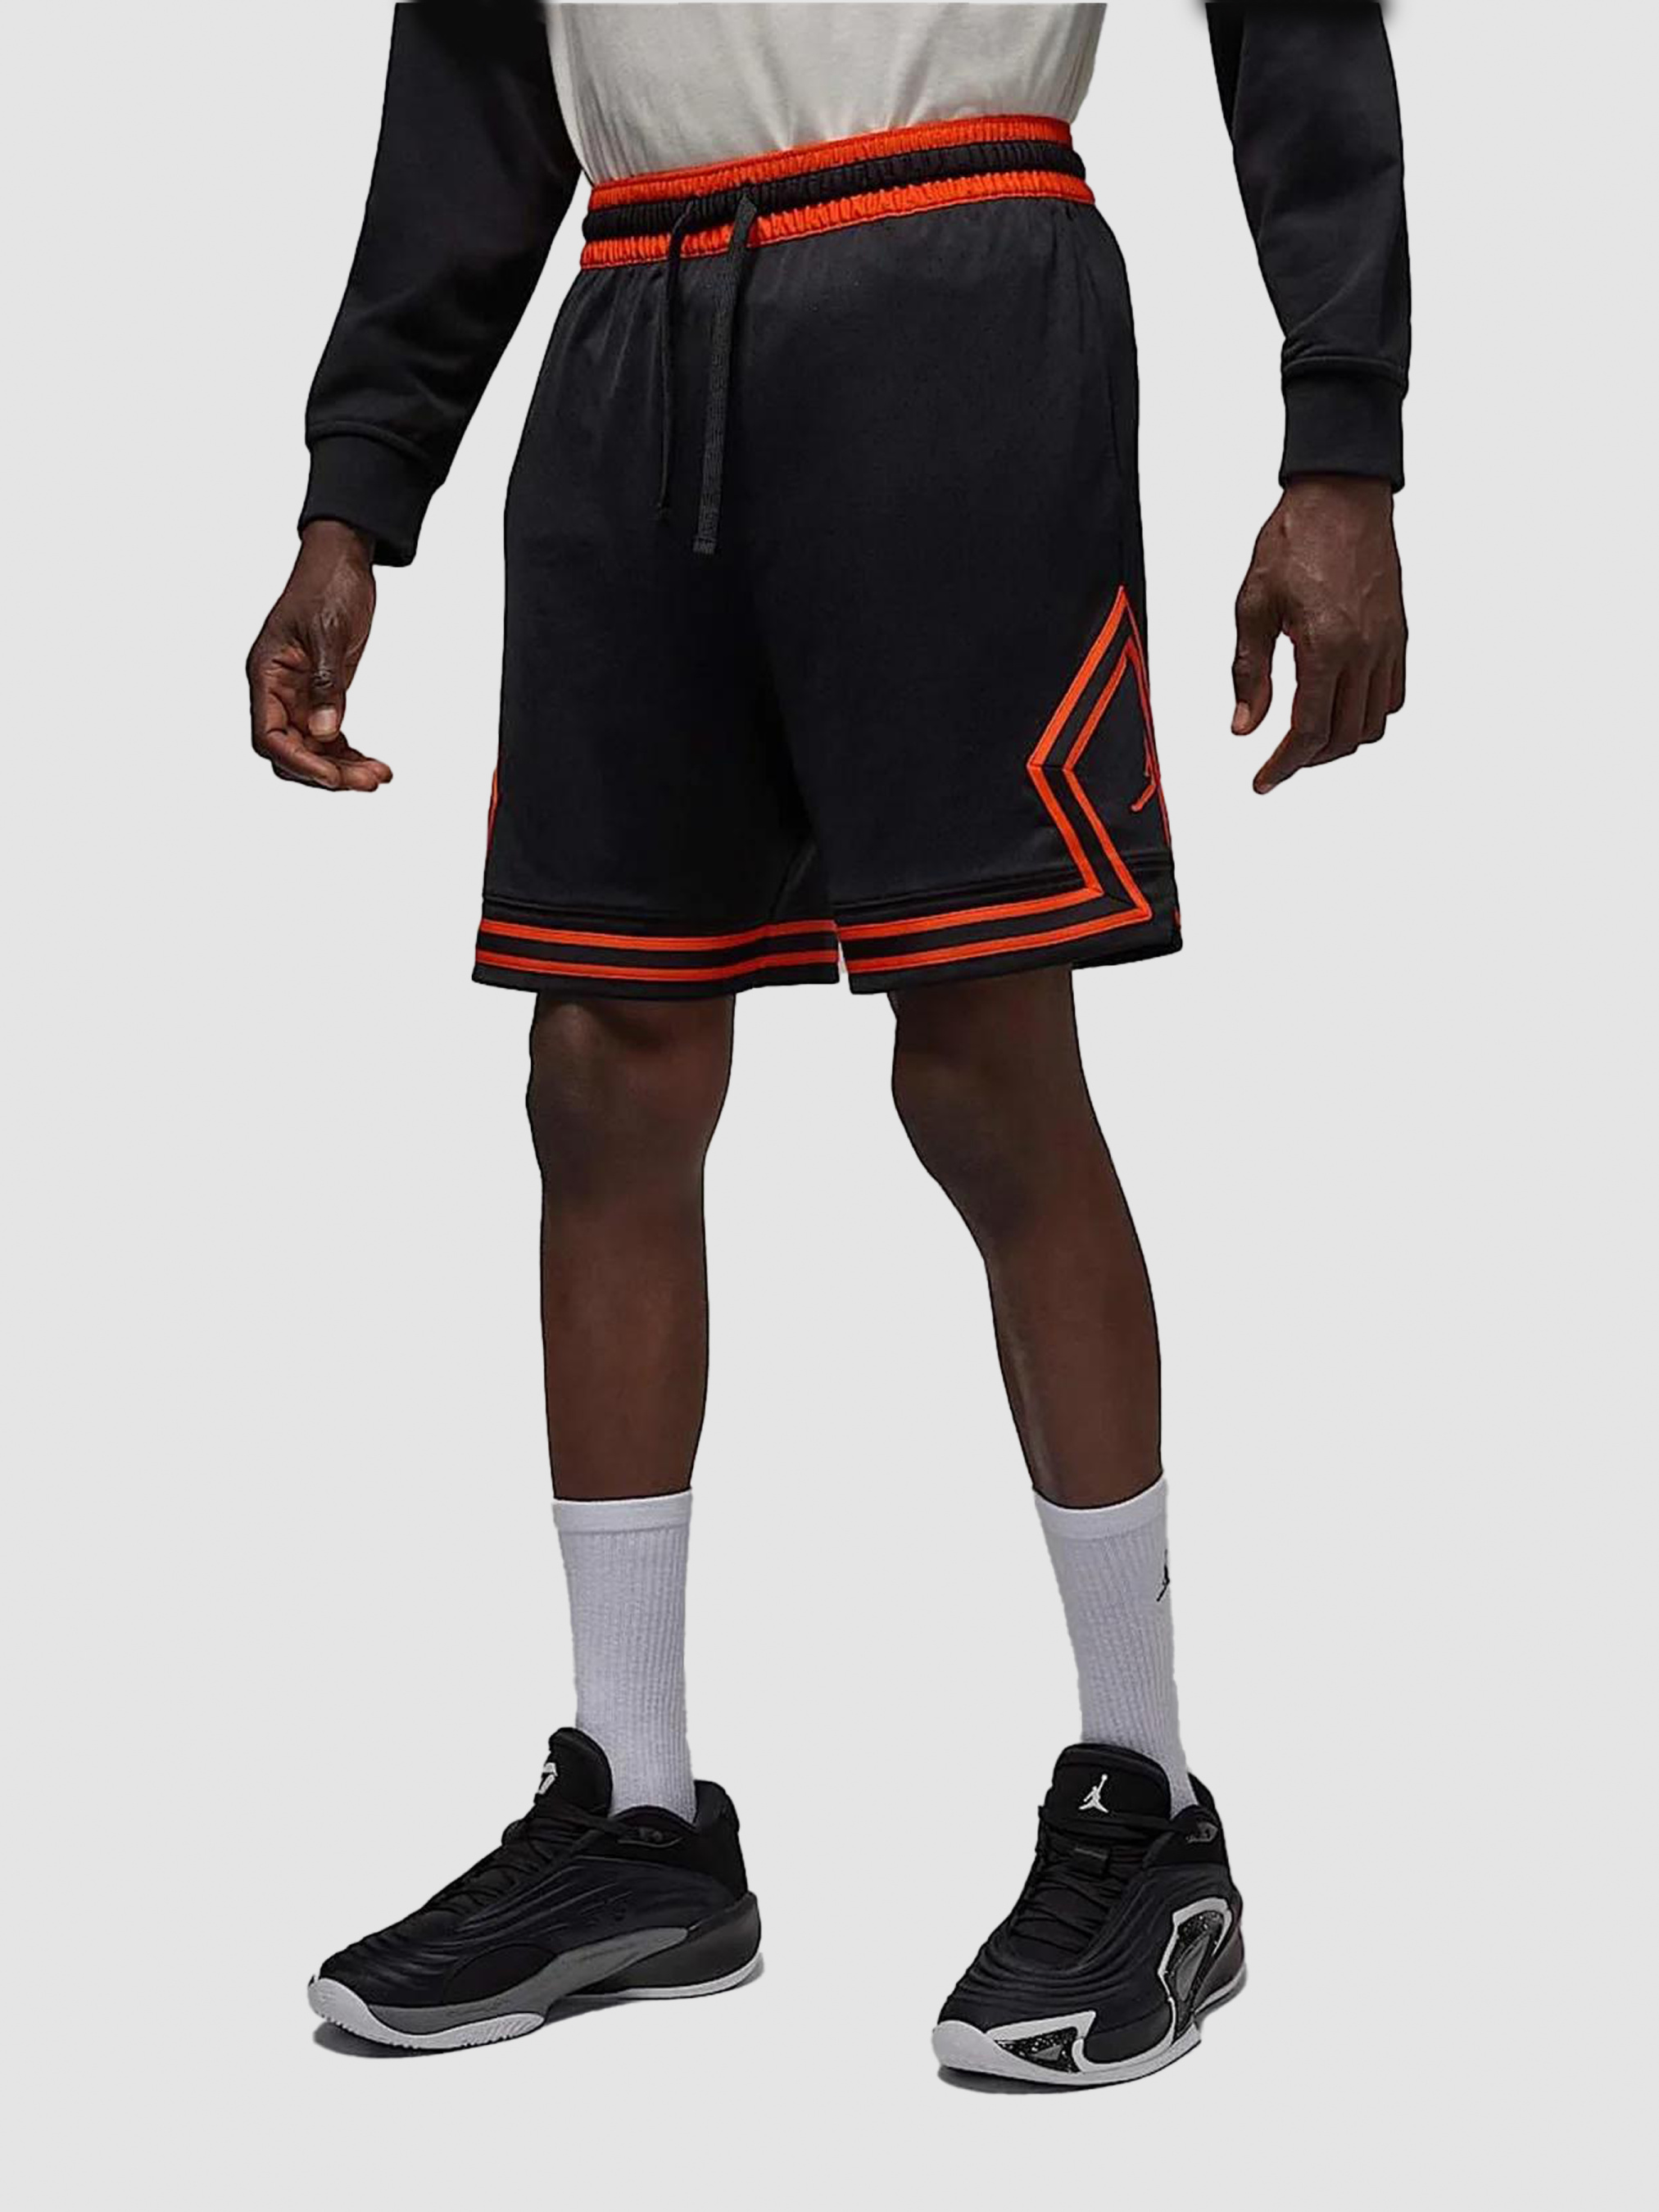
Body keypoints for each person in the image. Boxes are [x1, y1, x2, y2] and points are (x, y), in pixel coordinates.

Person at [250, 2, 1407, 2082]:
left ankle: (1148, 1806)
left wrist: (1340, 442)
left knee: (978, 1058)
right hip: (632, 320)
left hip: (954, 285)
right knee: (600, 1063)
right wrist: (356, 495)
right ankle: (638, 1818)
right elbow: (480, 75)